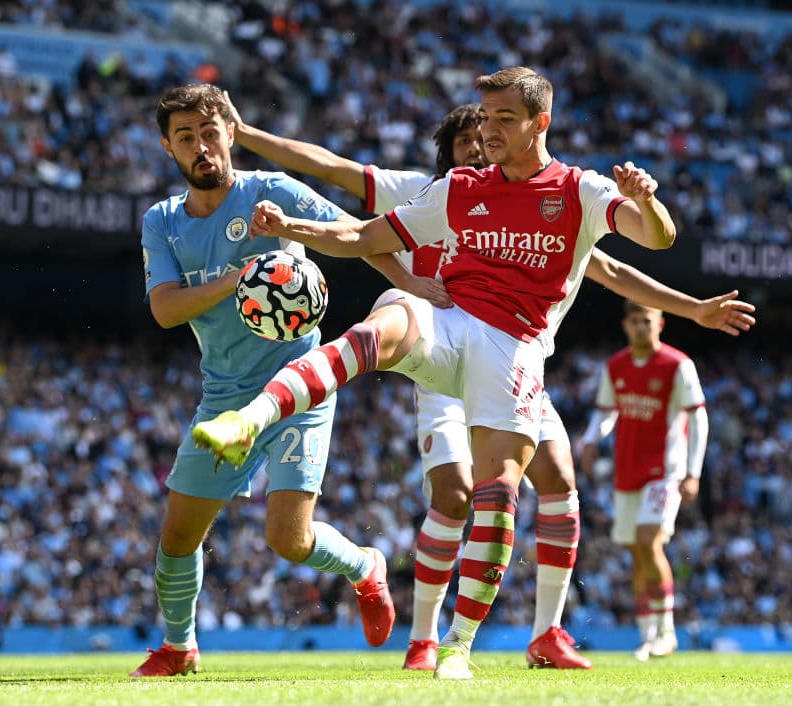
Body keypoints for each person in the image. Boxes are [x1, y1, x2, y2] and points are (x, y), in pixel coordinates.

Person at [220, 97, 756, 670]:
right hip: (442, 341)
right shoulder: (438, 188)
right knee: (452, 489)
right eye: (472, 141)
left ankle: (537, 633)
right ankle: (425, 637)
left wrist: (692, 305)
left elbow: (619, 266)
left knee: (551, 482)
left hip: (516, 356)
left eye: (498, 128)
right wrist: (249, 139)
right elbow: (337, 180)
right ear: (450, 155)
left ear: (537, 124)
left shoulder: (568, 197)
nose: (484, 146)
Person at [129, 83, 394, 678]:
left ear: (230, 131)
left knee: (288, 540)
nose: (201, 146)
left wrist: (419, 284)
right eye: (186, 137)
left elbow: (361, 234)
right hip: (224, 396)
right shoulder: (163, 222)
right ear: (169, 149)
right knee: (177, 537)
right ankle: (180, 648)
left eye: (209, 132)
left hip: (298, 386)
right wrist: (242, 278)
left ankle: (364, 568)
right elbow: (166, 309)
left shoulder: (269, 191)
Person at [580, 301, 708, 661]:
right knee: (637, 553)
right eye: (635, 321)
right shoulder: (616, 366)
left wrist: (692, 472)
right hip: (627, 471)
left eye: (647, 321)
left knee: (647, 541)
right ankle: (648, 634)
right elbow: (606, 412)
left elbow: (698, 420)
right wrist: (592, 438)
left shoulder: (677, 365)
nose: (641, 327)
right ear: (625, 325)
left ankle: (666, 632)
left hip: (665, 470)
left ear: (661, 323)